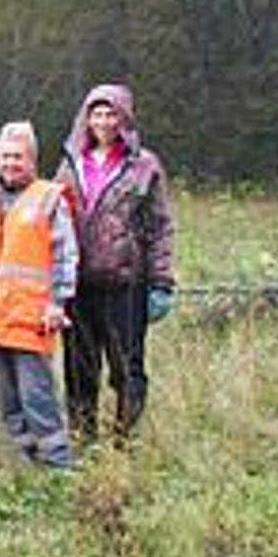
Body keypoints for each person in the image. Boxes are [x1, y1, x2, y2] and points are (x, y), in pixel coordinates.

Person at [54, 84, 176, 440]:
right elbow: (56, 221)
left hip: (125, 282)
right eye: (97, 113)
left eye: (111, 114)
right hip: (77, 283)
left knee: (127, 367)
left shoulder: (144, 164)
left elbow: (161, 225)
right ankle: (83, 437)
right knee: (79, 367)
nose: (103, 121)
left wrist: (162, 281)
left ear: (124, 118)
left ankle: (125, 439)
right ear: (85, 118)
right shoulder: (70, 163)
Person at [0, 122, 79, 470]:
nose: (10, 163)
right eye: (4, 156)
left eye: (18, 156)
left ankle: (58, 465)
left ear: (32, 160)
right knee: (7, 398)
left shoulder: (49, 198)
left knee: (38, 396)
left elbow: (65, 255)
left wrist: (57, 303)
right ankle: (25, 461)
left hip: (33, 320)